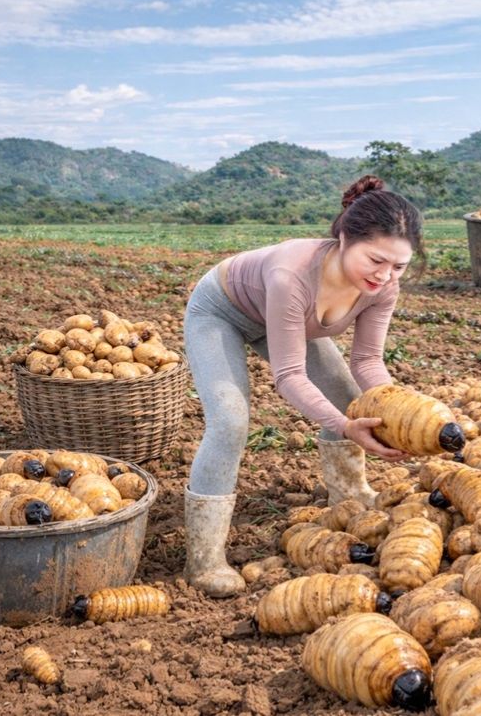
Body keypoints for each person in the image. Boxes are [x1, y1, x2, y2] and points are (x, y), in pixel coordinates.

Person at [181, 175, 423, 597]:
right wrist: (346, 427)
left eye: (398, 266)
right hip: (222, 311)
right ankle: (204, 560)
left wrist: (401, 412)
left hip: (284, 320)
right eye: (376, 260)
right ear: (345, 237)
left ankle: (348, 497)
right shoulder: (292, 275)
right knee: (230, 421)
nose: (385, 276)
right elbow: (289, 375)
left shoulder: (383, 286)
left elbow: (367, 361)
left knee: (352, 402)